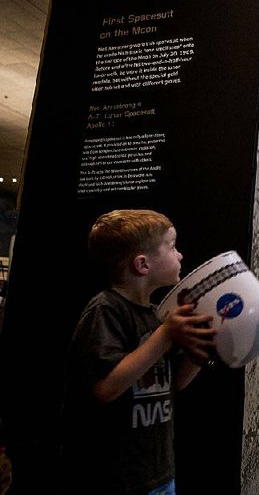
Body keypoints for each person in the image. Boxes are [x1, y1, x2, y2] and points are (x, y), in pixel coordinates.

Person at [59, 209, 217, 494]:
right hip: (116, 479)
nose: (180, 255)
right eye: (172, 246)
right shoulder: (106, 309)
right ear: (142, 264)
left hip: (158, 471)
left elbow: (176, 382)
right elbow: (106, 388)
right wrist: (167, 334)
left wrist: (202, 347)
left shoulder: (157, 315)